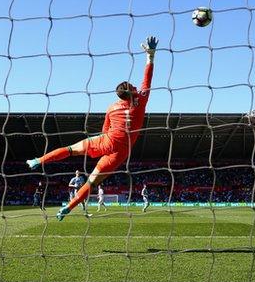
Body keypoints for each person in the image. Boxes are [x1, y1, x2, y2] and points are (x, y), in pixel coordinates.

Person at [26, 36, 158, 221]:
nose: (136, 86)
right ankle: (68, 208)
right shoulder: (141, 100)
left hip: (107, 141)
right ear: (131, 92)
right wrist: (150, 57)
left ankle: (39, 160)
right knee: (92, 181)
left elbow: (105, 129)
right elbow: (147, 79)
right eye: (133, 86)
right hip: (121, 151)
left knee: (72, 150)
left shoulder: (112, 108)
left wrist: (102, 145)